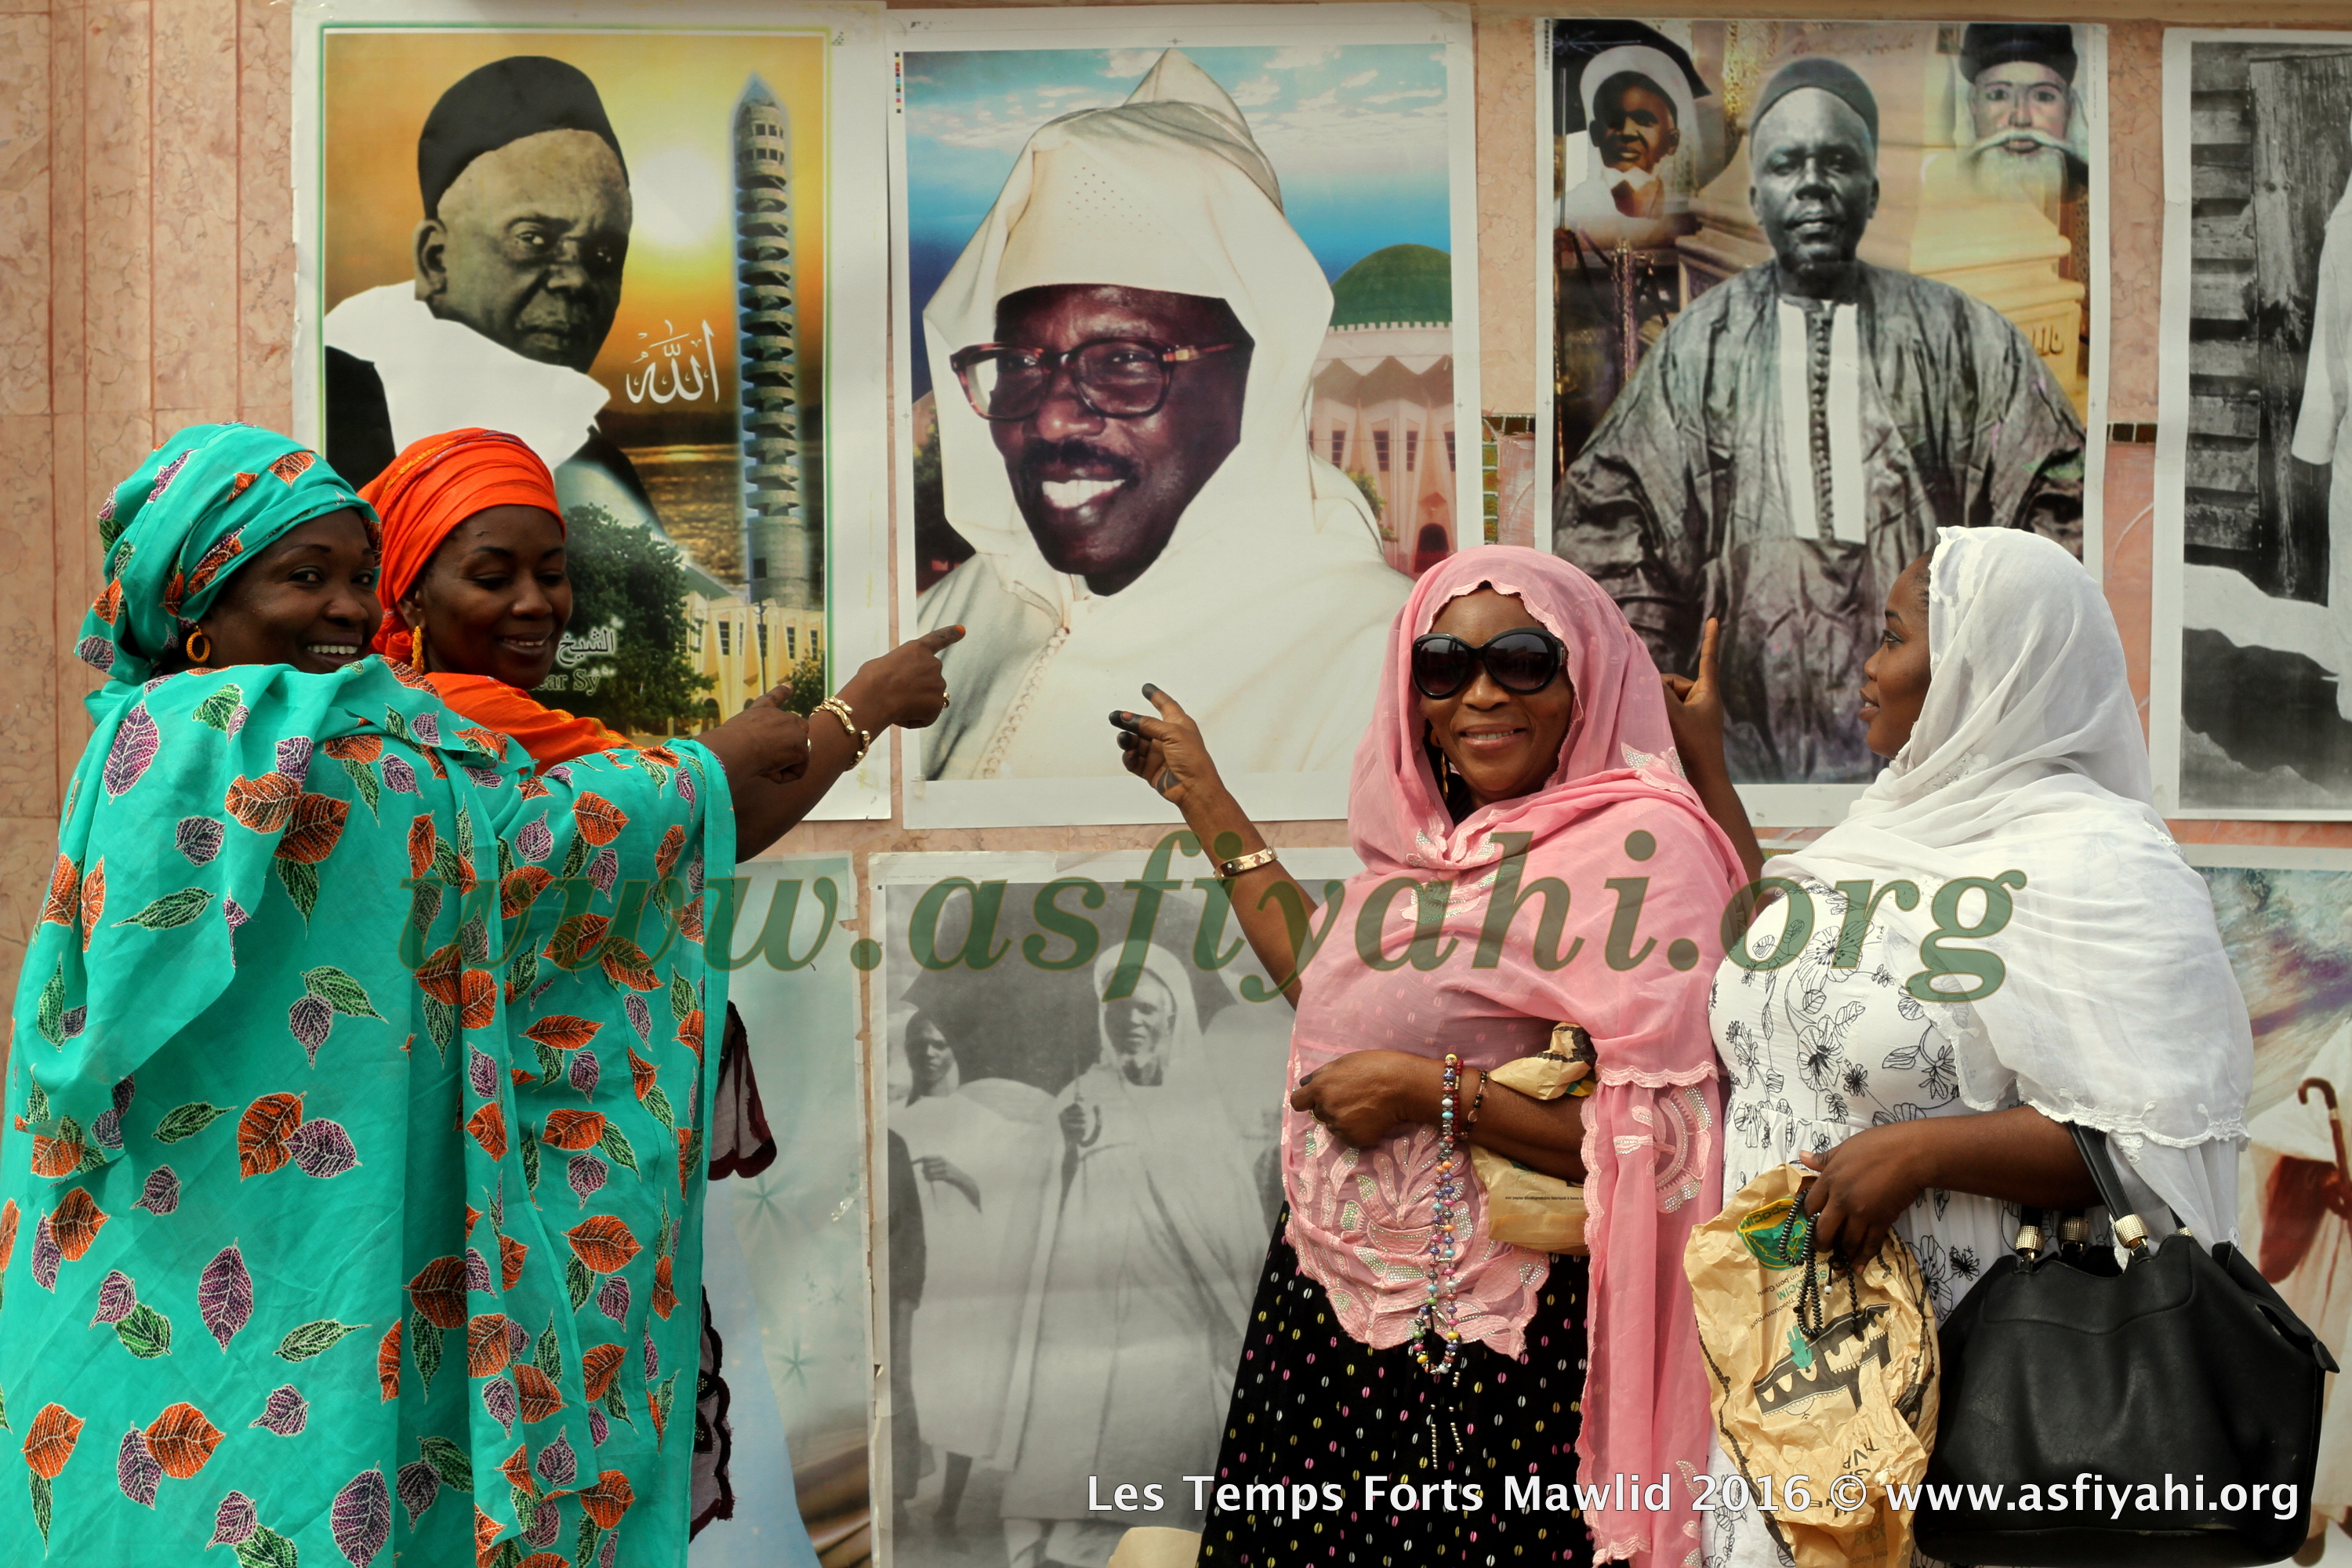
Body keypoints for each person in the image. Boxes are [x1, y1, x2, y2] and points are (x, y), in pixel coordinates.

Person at [0, 423, 811, 1564]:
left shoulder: (163, 747)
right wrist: (743, 759)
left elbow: (513, 848)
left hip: (310, 1228)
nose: (345, 611)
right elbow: (541, 847)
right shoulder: (285, 746)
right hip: (239, 1228)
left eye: (356, 580)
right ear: (198, 608)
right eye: (304, 577)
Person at [1108, 546, 1748, 1566]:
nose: (1480, 694)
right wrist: (1203, 799)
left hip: (1502, 1356)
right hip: (1333, 1329)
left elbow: (1672, 1149)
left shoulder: (1643, 851)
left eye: (1524, 661)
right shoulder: (1432, 844)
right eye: (1442, 666)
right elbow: (1331, 993)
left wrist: (1432, 1095)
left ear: (1584, 674)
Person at [1686, 528, 2252, 1566]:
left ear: (1985, 675)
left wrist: (1923, 1154)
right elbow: (1797, 1016)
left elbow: (2159, 1148)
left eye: (1895, 637)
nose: (1868, 662)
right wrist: (1709, 776)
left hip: (1976, 1402)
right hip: (1797, 1381)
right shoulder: (1877, 835)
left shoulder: (2097, 867)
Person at [1553, 57, 2087, 786]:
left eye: (1838, 161)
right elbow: (1610, 525)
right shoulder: (1699, 346)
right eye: (1786, 163)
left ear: (1873, 188)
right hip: (1738, 763)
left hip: (1940, 764)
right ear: (1756, 191)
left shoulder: (1964, 336)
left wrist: (1989, 688)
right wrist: (1661, 704)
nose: (1812, 182)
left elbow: (2058, 508)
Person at [916, 49, 1409, 786]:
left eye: (1123, 362)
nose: (1051, 421)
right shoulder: (956, 611)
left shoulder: (1371, 658)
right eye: (1019, 364)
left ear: (1257, 375)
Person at [359, 427, 956, 799]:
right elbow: (705, 820)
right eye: (492, 578)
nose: (534, 603)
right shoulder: (462, 711)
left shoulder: (395, 704)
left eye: (551, 574)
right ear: (410, 594)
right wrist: (869, 702)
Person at [322, 54, 666, 546]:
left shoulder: (592, 464)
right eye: (534, 239)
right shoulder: (334, 417)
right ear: (436, 259)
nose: (577, 280)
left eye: (604, 252)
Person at [998, 946, 1266, 1567]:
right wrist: (1063, 1149)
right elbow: (1033, 1203)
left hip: (1175, 1304)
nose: (1132, 1022)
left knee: (1160, 1432)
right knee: (1080, 1429)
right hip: (1086, 1302)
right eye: (1119, 1011)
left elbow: (1227, 1219)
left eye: (1146, 1009)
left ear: (1171, 1017)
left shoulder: (1200, 1107)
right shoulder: (1081, 1095)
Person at [894, 1012, 1058, 1534]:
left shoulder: (982, 1118)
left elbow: (1019, 1190)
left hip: (965, 1268)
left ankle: (948, 1509)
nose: (930, 1054)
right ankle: (900, 1501)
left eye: (939, 1044)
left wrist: (963, 1176)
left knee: (964, 1386)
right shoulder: (895, 1120)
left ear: (954, 1050)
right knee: (912, 1380)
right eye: (920, 1045)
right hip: (914, 1271)